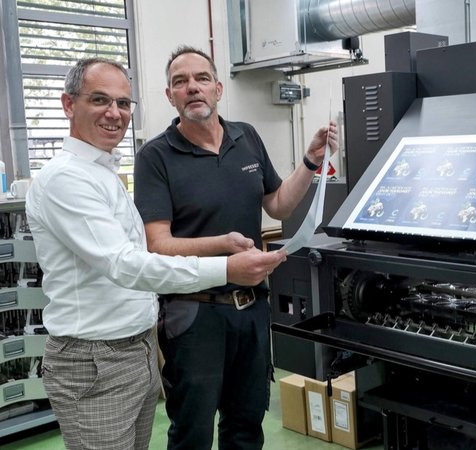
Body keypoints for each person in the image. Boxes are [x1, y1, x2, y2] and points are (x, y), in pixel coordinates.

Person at [25, 57, 285, 450]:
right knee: (191, 431)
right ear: (68, 104)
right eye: (99, 100)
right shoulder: (67, 178)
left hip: (134, 347)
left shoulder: (101, 171)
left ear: (218, 88)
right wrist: (225, 267)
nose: (114, 113)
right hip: (96, 358)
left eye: (123, 103)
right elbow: (126, 263)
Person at [133, 45, 337, 450]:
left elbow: (278, 204)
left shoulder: (247, 137)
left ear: (218, 88)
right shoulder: (155, 156)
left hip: (251, 309)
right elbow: (158, 245)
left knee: (246, 427)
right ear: (170, 96)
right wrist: (224, 246)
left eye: (201, 78)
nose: (192, 87)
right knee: (192, 433)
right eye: (180, 82)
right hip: (194, 314)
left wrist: (310, 162)